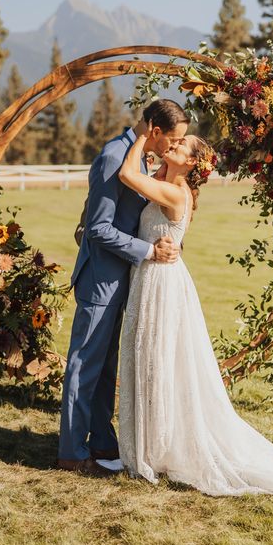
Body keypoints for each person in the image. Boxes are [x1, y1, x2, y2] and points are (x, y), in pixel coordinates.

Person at [117, 122, 273, 500]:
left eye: (181, 145)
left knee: (158, 359)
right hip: (153, 277)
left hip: (162, 283)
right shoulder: (165, 181)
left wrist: (140, 136)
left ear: (191, 165)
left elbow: (126, 174)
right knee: (151, 358)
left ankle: (157, 448)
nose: (173, 143)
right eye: (176, 140)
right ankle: (153, 443)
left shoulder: (174, 191)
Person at [57, 100, 189, 477]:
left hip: (125, 281)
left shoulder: (141, 157)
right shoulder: (113, 157)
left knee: (105, 370)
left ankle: (101, 442)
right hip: (100, 280)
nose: (174, 146)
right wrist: (149, 250)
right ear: (155, 130)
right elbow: (98, 229)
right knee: (85, 367)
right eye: (173, 139)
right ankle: (71, 452)